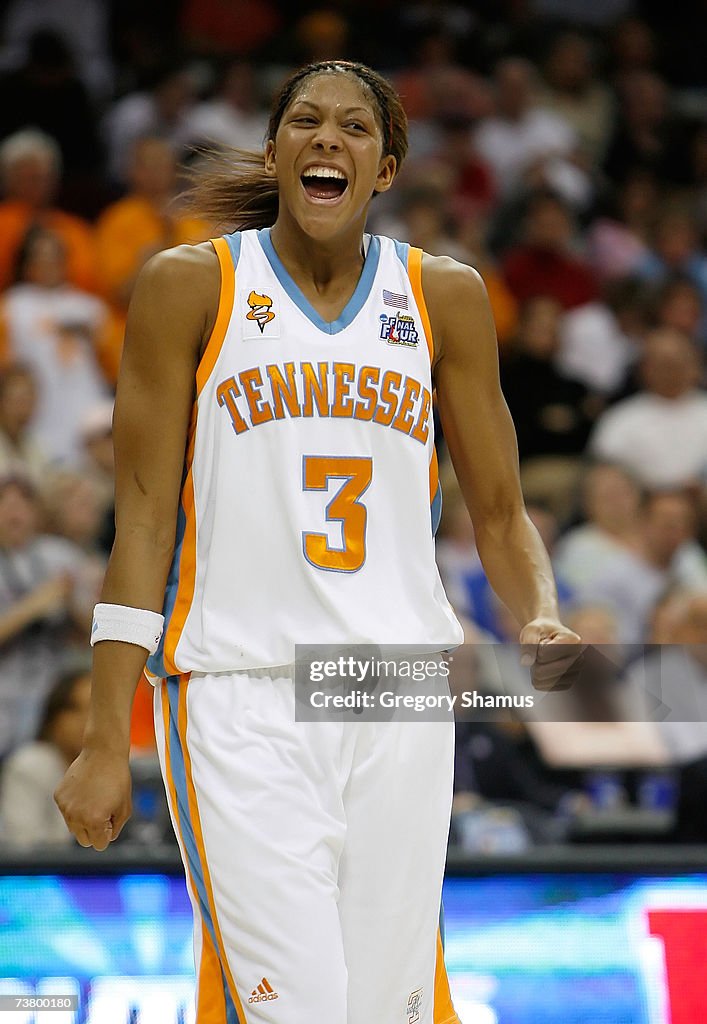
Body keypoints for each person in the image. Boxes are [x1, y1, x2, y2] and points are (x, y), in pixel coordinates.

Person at [54, 60, 580, 1024]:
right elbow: (142, 522)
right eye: (305, 121)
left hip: (398, 689)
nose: (327, 138)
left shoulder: (441, 296)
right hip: (240, 689)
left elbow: (502, 514)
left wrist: (539, 611)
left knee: (385, 1010)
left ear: (385, 169)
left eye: (354, 127)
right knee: (296, 1008)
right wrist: (100, 737)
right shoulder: (191, 286)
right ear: (275, 149)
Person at [0, 667, 91, 848]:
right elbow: (24, 843)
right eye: (74, 709)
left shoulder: (120, 766)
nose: (86, 720)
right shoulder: (30, 764)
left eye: (95, 709)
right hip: (41, 875)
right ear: (53, 717)